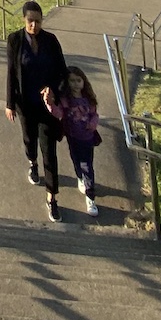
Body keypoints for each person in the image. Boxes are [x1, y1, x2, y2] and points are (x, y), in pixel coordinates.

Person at [5, 0, 69, 221]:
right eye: (30, 21)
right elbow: (11, 73)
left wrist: (55, 91)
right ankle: (32, 162)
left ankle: (52, 197)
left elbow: (62, 71)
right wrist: (9, 103)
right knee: (29, 140)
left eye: (38, 21)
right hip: (25, 104)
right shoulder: (14, 40)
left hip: (47, 106)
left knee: (49, 151)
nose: (34, 25)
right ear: (24, 20)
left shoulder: (51, 41)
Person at [42, 66, 100, 217]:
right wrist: (50, 104)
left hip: (87, 139)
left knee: (87, 166)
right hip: (72, 138)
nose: (75, 84)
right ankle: (80, 178)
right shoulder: (66, 101)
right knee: (76, 161)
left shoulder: (88, 99)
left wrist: (93, 124)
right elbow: (59, 113)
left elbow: (95, 114)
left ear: (84, 82)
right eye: (72, 81)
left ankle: (90, 197)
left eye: (78, 80)